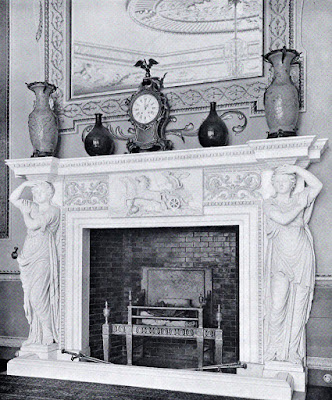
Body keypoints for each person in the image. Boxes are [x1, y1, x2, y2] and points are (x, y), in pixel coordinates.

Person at [263, 165, 323, 364]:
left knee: (298, 307)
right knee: (277, 306)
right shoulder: (269, 203)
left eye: (285, 180)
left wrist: (297, 169)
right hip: (280, 258)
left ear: (292, 183)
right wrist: (300, 205)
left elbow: (317, 184)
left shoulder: (299, 197)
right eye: (277, 181)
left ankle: (292, 352)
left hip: (301, 256)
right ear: (273, 184)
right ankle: (273, 349)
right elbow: (283, 218)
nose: (281, 184)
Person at [10, 180, 60, 346]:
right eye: (35, 193)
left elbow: (32, 224)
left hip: (43, 255)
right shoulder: (32, 206)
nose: (37, 196)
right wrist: (25, 185)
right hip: (28, 255)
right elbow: (12, 199)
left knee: (37, 295)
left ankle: (48, 332)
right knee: (31, 296)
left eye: (41, 193)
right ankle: (37, 335)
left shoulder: (53, 211)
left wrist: (25, 213)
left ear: (50, 194)